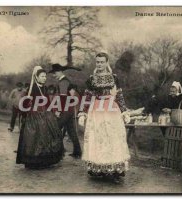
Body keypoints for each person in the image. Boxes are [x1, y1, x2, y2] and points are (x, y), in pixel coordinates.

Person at [81, 52, 130, 183]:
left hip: (111, 109)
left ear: (107, 62)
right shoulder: (91, 79)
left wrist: (124, 112)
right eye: (98, 62)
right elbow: (87, 97)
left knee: (113, 138)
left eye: (102, 62)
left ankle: (114, 171)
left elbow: (119, 95)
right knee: (99, 138)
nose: (100, 64)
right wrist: (83, 113)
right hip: (97, 110)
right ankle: (101, 169)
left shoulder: (114, 78)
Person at [16, 66, 64, 169]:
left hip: (45, 114)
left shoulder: (44, 88)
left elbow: (48, 102)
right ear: (36, 77)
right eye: (42, 76)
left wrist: (53, 111)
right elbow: (25, 103)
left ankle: (44, 161)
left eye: (45, 76)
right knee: (35, 138)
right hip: (34, 115)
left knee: (49, 135)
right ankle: (34, 161)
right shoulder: (32, 88)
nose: (44, 78)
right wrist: (25, 114)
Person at [48, 63, 82, 158]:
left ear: (59, 72)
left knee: (56, 128)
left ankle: (60, 151)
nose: (54, 75)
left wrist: (59, 110)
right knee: (71, 131)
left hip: (65, 110)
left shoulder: (63, 81)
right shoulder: (64, 81)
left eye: (54, 73)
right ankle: (77, 152)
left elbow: (63, 98)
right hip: (69, 109)